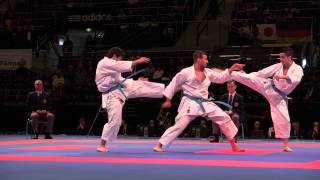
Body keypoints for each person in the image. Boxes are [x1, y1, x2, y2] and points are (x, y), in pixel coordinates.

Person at [153, 50, 245, 152]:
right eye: (205, 59)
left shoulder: (208, 72)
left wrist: (231, 69)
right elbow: (173, 84)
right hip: (190, 102)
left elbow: (220, 78)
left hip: (205, 102)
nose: (207, 61)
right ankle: (159, 145)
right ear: (199, 59)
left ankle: (234, 145)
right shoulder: (186, 72)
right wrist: (168, 100)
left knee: (224, 117)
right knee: (180, 125)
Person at [231, 47, 304, 152]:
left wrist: (282, 77)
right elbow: (263, 73)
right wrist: (249, 75)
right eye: (280, 57)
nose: (281, 59)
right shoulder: (278, 66)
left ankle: (285, 146)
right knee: (250, 78)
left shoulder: (297, 69)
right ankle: (229, 73)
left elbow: (295, 79)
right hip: (269, 87)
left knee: (285, 119)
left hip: (279, 97)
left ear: (290, 57)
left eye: (283, 57)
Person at [95, 47, 165, 152]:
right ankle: (102, 144)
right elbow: (119, 66)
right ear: (114, 56)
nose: (121, 61)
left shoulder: (113, 68)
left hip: (120, 88)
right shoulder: (104, 63)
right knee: (115, 122)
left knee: (141, 85)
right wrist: (137, 61)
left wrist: (137, 80)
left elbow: (119, 78)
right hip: (112, 94)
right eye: (120, 59)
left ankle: (167, 90)